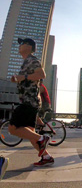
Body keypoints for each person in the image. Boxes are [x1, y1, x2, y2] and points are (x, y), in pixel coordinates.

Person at [8, 38, 53, 166]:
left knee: (13, 129)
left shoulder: (32, 60)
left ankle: (43, 138)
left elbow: (42, 74)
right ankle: (47, 157)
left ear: (29, 46)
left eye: (22, 44)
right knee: (30, 133)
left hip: (29, 101)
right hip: (30, 101)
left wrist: (23, 77)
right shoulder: (26, 62)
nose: (20, 46)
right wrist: (18, 79)